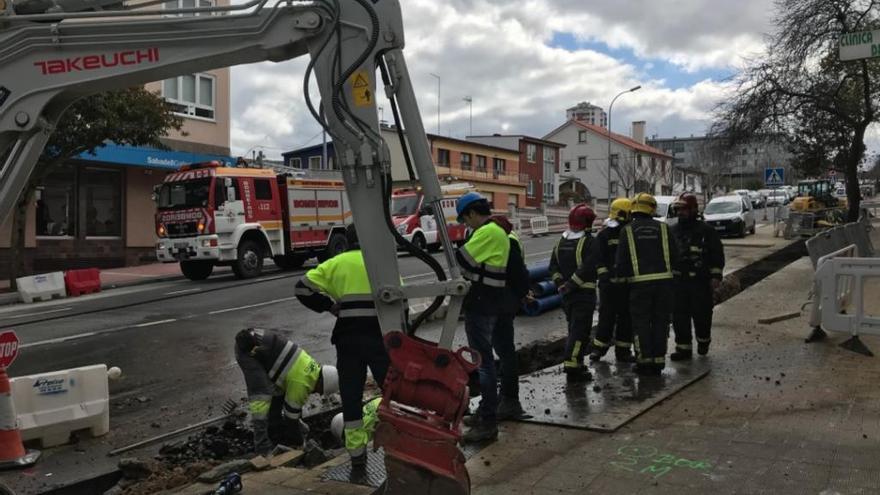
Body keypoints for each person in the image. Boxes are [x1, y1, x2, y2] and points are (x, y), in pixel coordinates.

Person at [294, 224, 390, 467]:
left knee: (351, 395)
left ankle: (357, 455)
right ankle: (400, 443)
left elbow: (301, 287)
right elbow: (400, 302)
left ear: (347, 241)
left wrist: (329, 305)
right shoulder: (381, 264)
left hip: (348, 339)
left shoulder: (335, 263)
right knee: (393, 392)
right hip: (380, 338)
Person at [454, 192, 510, 443]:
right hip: (491, 301)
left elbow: (462, 258)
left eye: (466, 220)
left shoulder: (488, 232)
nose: (467, 225)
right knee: (486, 361)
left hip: (482, 303)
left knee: (483, 363)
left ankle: (488, 423)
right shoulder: (497, 231)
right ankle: (485, 413)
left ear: (472, 213)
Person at [234, 328, 339, 455]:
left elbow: (290, 402)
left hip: (258, 339)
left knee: (279, 391)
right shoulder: (303, 383)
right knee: (261, 399)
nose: (319, 394)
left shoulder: (311, 366)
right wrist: (300, 443)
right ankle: (262, 448)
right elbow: (291, 418)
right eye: (322, 391)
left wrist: (298, 424)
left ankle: (275, 431)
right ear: (322, 382)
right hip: (248, 349)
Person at [615, 193, 679, 377]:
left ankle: (644, 362)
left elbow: (622, 262)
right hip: (664, 285)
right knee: (660, 322)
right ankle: (658, 362)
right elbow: (676, 255)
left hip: (639, 286)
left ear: (634, 209)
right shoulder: (665, 229)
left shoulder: (626, 231)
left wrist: (620, 286)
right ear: (652, 209)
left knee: (641, 323)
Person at [670, 193, 725, 360]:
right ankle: (683, 349)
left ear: (694, 209)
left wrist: (715, 277)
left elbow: (717, 255)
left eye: (684, 209)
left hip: (700, 283)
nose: (681, 212)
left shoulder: (706, 231)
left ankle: (703, 341)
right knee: (680, 318)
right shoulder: (672, 231)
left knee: (702, 316)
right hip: (678, 283)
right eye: (679, 209)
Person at [549, 204, 600, 382]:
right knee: (580, 332)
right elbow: (589, 267)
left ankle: (576, 362)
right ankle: (573, 367)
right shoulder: (589, 242)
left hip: (567, 296)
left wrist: (560, 284)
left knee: (573, 329)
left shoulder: (561, 241)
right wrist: (571, 284)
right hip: (583, 295)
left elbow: (553, 267)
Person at [488, 214, 527, 420]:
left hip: (501, 302)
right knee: (503, 351)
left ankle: (509, 400)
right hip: (505, 301)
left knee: (504, 351)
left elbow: (517, 273)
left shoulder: (506, 241)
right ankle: (505, 398)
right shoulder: (511, 237)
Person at [590, 198, 636, 364]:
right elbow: (598, 258)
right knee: (606, 318)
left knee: (626, 318)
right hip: (609, 286)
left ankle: (623, 351)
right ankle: (598, 349)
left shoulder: (629, 232)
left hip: (625, 284)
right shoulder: (605, 234)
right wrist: (605, 276)